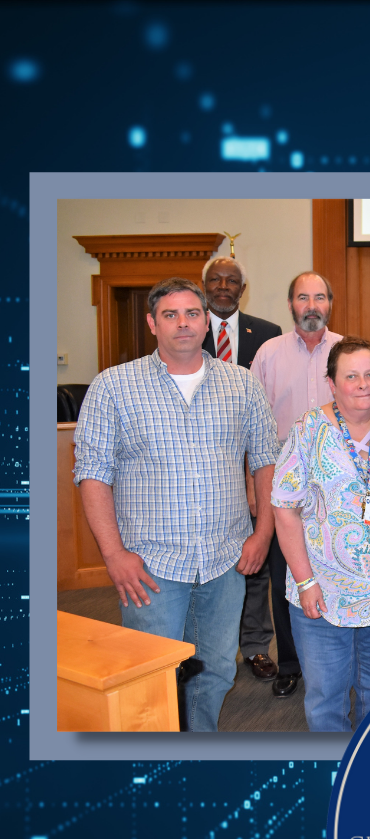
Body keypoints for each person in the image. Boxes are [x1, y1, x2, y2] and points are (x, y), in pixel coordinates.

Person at [73, 277, 280, 732]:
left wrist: (262, 533)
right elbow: (92, 475)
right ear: (152, 323)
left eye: (192, 314)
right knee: (150, 677)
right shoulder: (113, 387)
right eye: (170, 315)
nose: (183, 324)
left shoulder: (242, 385)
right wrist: (113, 556)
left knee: (216, 671)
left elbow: (267, 463)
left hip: (225, 560)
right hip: (149, 566)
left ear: (207, 322)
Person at [271, 337, 370, 732]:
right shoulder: (307, 430)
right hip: (323, 589)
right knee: (326, 698)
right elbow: (284, 508)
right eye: (351, 376)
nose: (362, 384)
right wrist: (305, 581)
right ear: (332, 382)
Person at [250, 272, 343, 697]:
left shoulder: (348, 351)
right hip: (281, 487)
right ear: (291, 305)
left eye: (319, 297)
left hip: (336, 489)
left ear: (330, 303)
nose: (312, 305)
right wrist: (254, 489)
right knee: (285, 576)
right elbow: (251, 426)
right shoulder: (267, 354)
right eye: (303, 297)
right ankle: (290, 662)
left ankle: (339, 662)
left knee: (337, 569)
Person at [200, 255, 284, 686]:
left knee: (256, 559)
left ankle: (253, 647)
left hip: (254, 460)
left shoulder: (267, 335)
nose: (223, 286)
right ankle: (204, 647)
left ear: (241, 288)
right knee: (210, 563)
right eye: (215, 279)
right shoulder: (189, 331)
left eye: (232, 280)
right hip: (206, 466)